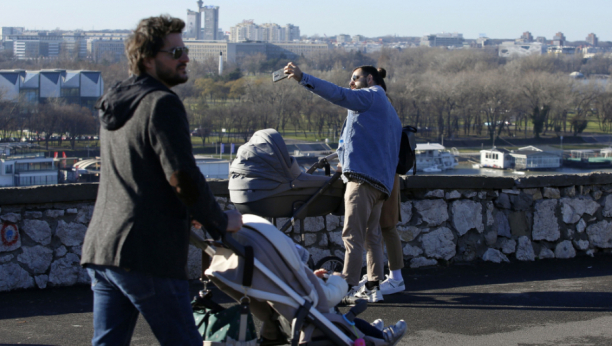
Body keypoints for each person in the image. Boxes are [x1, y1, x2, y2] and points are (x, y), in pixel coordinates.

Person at [80, 15, 242, 346]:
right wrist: (220, 220)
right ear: (149, 58)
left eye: (185, 49)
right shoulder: (161, 104)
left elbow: (141, 175)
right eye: (177, 51)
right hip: (147, 251)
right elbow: (182, 177)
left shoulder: (117, 101)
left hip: (103, 247)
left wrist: (187, 210)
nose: (185, 58)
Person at [285, 62, 402, 304]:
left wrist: (302, 77)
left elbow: (338, 95)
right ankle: (372, 287)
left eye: (355, 78)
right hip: (381, 186)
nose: (351, 82)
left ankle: (347, 286)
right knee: (372, 237)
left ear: (370, 80)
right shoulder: (390, 111)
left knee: (352, 235)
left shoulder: (369, 97)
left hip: (361, 180)